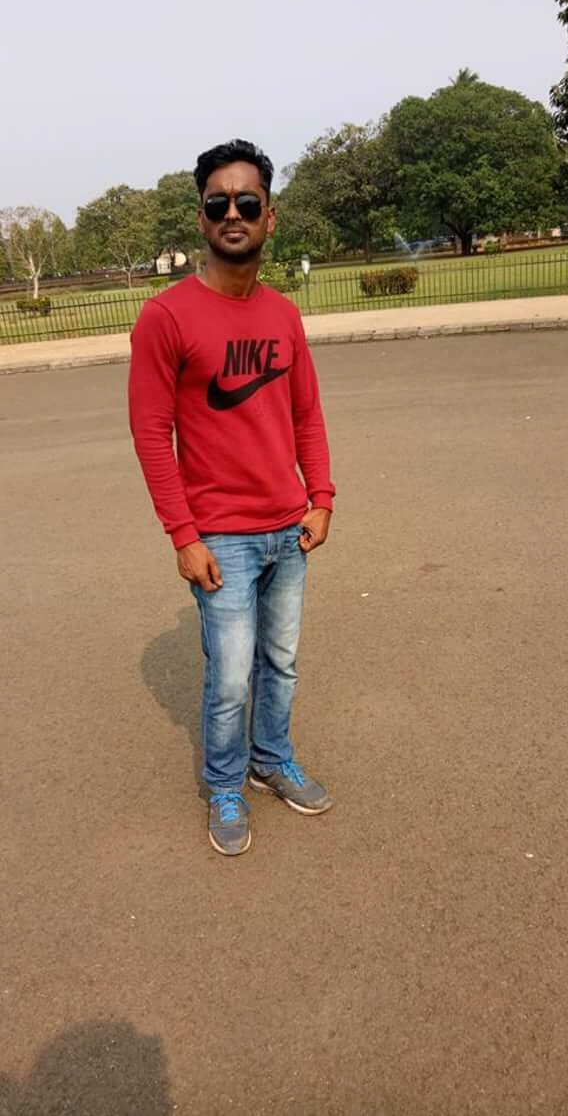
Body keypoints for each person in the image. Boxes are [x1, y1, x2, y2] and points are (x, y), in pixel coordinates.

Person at [128, 139, 335, 857]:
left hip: (289, 528)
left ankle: (270, 759)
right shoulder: (167, 317)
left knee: (281, 663)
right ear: (202, 218)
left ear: (269, 216)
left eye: (248, 201)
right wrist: (183, 536)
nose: (233, 214)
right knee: (229, 678)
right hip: (220, 537)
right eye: (218, 203)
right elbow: (151, 435)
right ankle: (224, 783)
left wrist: (320, 497)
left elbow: (306, 413)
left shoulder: (282, 315)